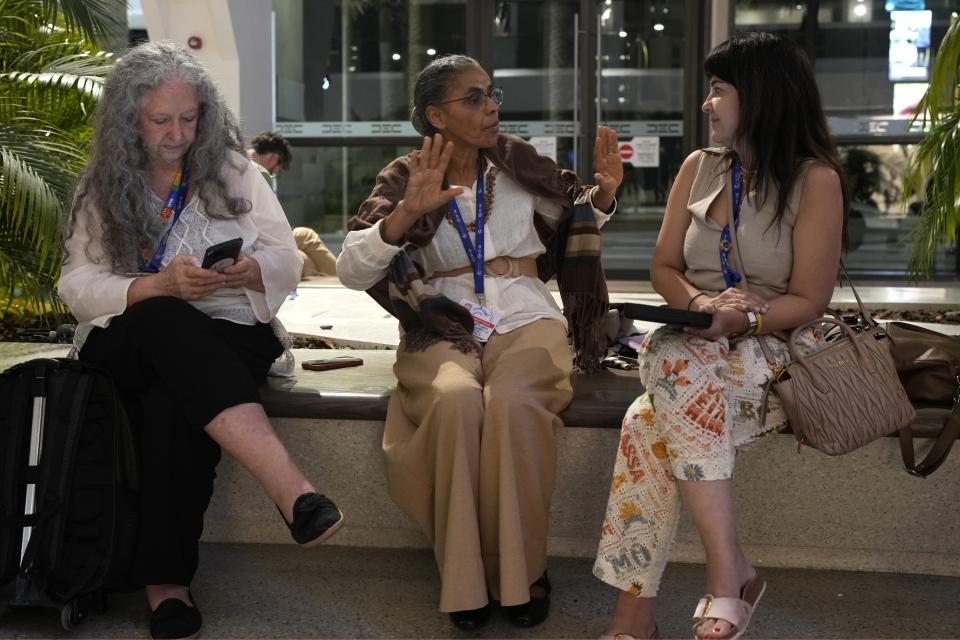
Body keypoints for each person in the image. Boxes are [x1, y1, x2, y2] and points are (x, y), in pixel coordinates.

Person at [58, 42, 344, 640]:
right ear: (128, 117)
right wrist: (157, 284)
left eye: (189, 118)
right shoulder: (103, 183)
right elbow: (78, 284)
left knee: (172, 402)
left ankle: (167, 588)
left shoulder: (235, 170)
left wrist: (252, 271)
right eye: (161, 120)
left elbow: (284, 255)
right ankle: (292, 490)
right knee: (165, 318)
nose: (178, 133)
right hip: (129, 333)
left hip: (228, 328)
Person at [337, 54, 621, 631]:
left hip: (523, 315)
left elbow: (575, 218)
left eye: (491, 94)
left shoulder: (519, 162)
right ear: (436, 116)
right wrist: (401, 220)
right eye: (473, 98)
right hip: (442, 321)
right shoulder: (404, 177)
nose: (490, 106)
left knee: (515, 405)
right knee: (457, 400)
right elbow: (351, 269)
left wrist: (606, 196)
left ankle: (524, 575)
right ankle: (463, 579)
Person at [593, 32, 847, 640]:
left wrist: (744, 319)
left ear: (759, 95)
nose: (707, 103)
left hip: (775, 353)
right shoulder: (699, 167)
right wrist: (704, 306)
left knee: (645, 421)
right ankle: (731, 577)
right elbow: (663, 269)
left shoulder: (816, 181)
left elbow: (811, 299)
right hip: (696, 344)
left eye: (718, 89)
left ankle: (650, 611)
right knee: (677, 365)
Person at [246, 130, 338, 277]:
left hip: (249, 242)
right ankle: (346, 283)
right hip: (256, 245)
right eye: (276, 172)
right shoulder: (258, 172)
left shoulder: (235, 162)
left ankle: (342, 282)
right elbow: (267, 224)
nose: (273, 175)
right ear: (273, 158)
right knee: (306, 237)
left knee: (304, 257)